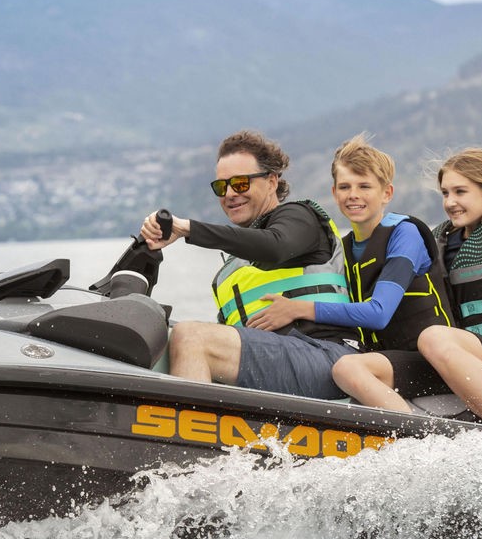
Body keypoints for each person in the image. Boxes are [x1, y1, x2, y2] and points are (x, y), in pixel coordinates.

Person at [331, 148, 482, 425]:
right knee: (348, 368)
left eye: (460, 192)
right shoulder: (441, 239)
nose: (450, 202)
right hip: (451, 359)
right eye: (445, 193)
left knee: (433, 338)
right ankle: (417, 438)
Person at [139, 130, 358, 399]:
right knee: (170, 338)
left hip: (327, 358)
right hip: (277, 364)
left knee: (191, 337)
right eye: (222, 187)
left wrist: (188, 229)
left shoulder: (299, 217)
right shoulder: (229, 272)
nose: (230, 193)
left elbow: (275, 246)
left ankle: (191, 423)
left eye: (241, 183)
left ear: (272, 182)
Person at [246, 134, 452, 355]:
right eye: (344, 187)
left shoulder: (405, 234)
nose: (353, 195)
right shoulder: (342, 250)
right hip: (381, 359)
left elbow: (379, 313)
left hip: (432, 356)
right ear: (334, 194)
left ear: (387, 193)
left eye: (364, 186)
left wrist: (297, 309)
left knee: (347, 367)